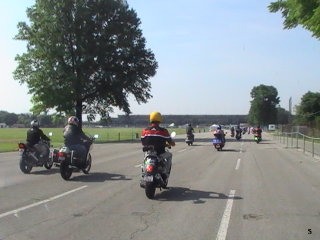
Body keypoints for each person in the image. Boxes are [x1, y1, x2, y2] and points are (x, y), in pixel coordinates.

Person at [141, 112, 175, 177]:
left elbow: (143, 142)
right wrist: (169, 144)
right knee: (170, 155)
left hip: (149, 153)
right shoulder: (163, 131)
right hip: (160, 154)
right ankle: (166, 172)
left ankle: (143, 170)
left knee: (145, 160)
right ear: (159, 120)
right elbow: (172, 143)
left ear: (151, 119)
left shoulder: (144, 131)